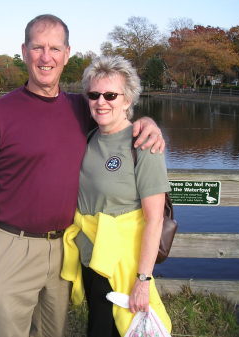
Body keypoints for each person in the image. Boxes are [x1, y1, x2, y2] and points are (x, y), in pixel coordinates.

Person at [0, 14, 165, 337]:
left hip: (63, 251)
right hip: (10, 248)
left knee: (52, 332)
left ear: (67, 53)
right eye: (37, 47)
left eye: (54, 48)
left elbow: (115, 112)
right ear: (24, 51)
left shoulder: (80, 108)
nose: (46, 57)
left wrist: (148, 123)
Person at [60, 55, 172, 337]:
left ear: (127, 99)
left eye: (111, 94)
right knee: (98, 325)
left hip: (124, 263)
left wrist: (143, 280)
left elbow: (154, 219)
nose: (101, 101)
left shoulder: (143, 144)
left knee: (122, 328)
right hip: (91, 259)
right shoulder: (88, 138)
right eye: (94, 94)